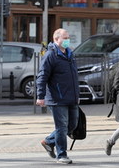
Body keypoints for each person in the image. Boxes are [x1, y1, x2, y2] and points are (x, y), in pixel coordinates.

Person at [36, 28, 80, 164]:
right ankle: (62, 155)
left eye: (68, 38)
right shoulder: (50, 55)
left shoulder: (69, 54)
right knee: (61, 127)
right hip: (57, 98)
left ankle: (48, 141)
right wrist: (40, 96)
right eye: (65, 38)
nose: (67, 40)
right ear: (56, 39)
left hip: (71, 97)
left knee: (72, 125)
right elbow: (42, 76)